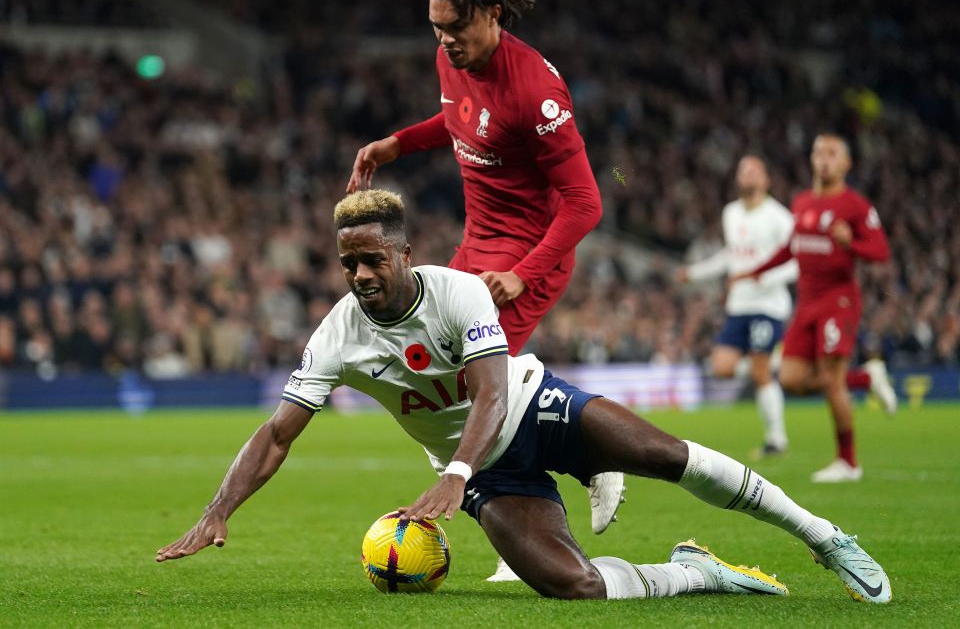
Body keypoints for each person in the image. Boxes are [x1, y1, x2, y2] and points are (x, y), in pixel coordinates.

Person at [157, 190, 892, 605]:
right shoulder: (337, 335)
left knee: (666, 455)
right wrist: (216, 511)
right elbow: (278, 433)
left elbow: (489, 393)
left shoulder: (458, 292)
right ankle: (698, 570)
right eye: (348, 263)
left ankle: (824, 537)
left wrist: (453, 475)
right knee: (572, 588)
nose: (358, 275)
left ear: (405, 254)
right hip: (491, 475)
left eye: (371, 259)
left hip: (536, 409)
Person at [345, 0, 620, 575]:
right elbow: (462, 120)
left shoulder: (537, 91)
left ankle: (556, 494)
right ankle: (552, 489)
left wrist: (523, 276)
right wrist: (396, 145)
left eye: (456, 28)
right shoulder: (456, 60)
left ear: (492, 12)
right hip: (476, 243)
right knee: (436, 385)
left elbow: (585, 204)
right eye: (436, 30)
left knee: (474, 392)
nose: (445, 42)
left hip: (527, 254)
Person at [735, 134, 896, 483]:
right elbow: (791, 248)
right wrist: (755, 271)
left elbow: (880, 251)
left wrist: (849, 242)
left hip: (838, 299)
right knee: (791, 379)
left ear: (846, 164)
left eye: (832, 154)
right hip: (806, 302)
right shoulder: (802, 201)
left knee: (832, 379)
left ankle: (848, 462)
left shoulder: (855, 205)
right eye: (819, 153)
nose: (824, 159)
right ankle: (867, 378)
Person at [676, 156, 797, 457]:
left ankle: (776, 439)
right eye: (743, 170)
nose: (747, 175)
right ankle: (771, 363)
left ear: (766, 179)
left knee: (759, 371)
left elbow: (797, 262)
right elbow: (730, 257)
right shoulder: (731, 213)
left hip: (768, 305)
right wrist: (695, 273)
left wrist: (762, 278)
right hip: (739, 304)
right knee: (721, 366)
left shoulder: (780, 218)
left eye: (754, 170)